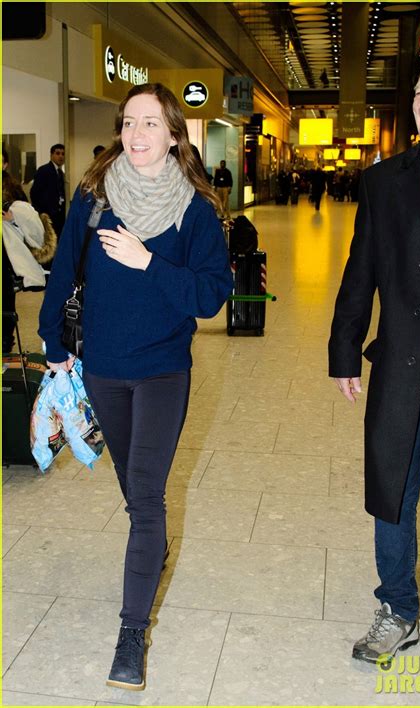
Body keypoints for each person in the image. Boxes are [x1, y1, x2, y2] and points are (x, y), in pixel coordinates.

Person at [38, 82, 233, 690]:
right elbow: (62, 270)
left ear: (174, 135)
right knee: (132, 488)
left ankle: (130, 634)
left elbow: (209, 296)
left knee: (146, 494)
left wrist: (149, 262)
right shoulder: (95, 196)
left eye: (151, 124)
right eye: (129, 123)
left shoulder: (195, 211)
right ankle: (154, 550)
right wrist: (53, 347)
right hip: (102, 368)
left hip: (163, 369)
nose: (137, 135)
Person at [329, 48, 420, 665]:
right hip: (407, 362)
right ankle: (397, 606)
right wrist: (343, 352)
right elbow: (360, 273)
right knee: (395, 483)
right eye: (419, 94)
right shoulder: (386, 181)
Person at [2, 170, 46, 351]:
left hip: (6, 257)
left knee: (5, 303)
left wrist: (13, 219)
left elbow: (34, 228)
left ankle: (5, 344)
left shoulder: (13, 195)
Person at [30, 143, 66, 238]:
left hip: (59, 214)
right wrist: (42, 212)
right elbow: (34, 193)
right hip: (47, 214)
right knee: (49, 241)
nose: (61, 156)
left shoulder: (60, 173)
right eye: (57, 153)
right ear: (51, 155)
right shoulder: (44, 170)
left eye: (63, 154)